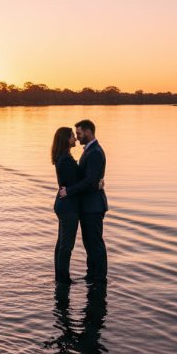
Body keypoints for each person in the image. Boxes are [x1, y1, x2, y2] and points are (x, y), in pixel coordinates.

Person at [59, 119, 108, 283]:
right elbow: (88, 179)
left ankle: (100, 278)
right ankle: (91, 275)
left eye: (79, 133)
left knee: (95, 243)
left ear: (88, 132)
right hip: (87, 205)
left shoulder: (95, 152)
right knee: (89, 244)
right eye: (76, 135)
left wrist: (69, 191)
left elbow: (89, 180)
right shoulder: (88, 150)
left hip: (94, 206)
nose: (78, 137)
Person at [51, 127, 80, 284]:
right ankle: (64, 279)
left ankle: (60, 277)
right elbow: (73, 183)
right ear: (66, 139)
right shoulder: (66, 160)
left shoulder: (63, 157)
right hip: (68, 207)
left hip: (63, 204)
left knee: (61, 243)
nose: (75, 139)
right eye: (72, 136)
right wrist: (95, 183)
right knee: (66, 245)